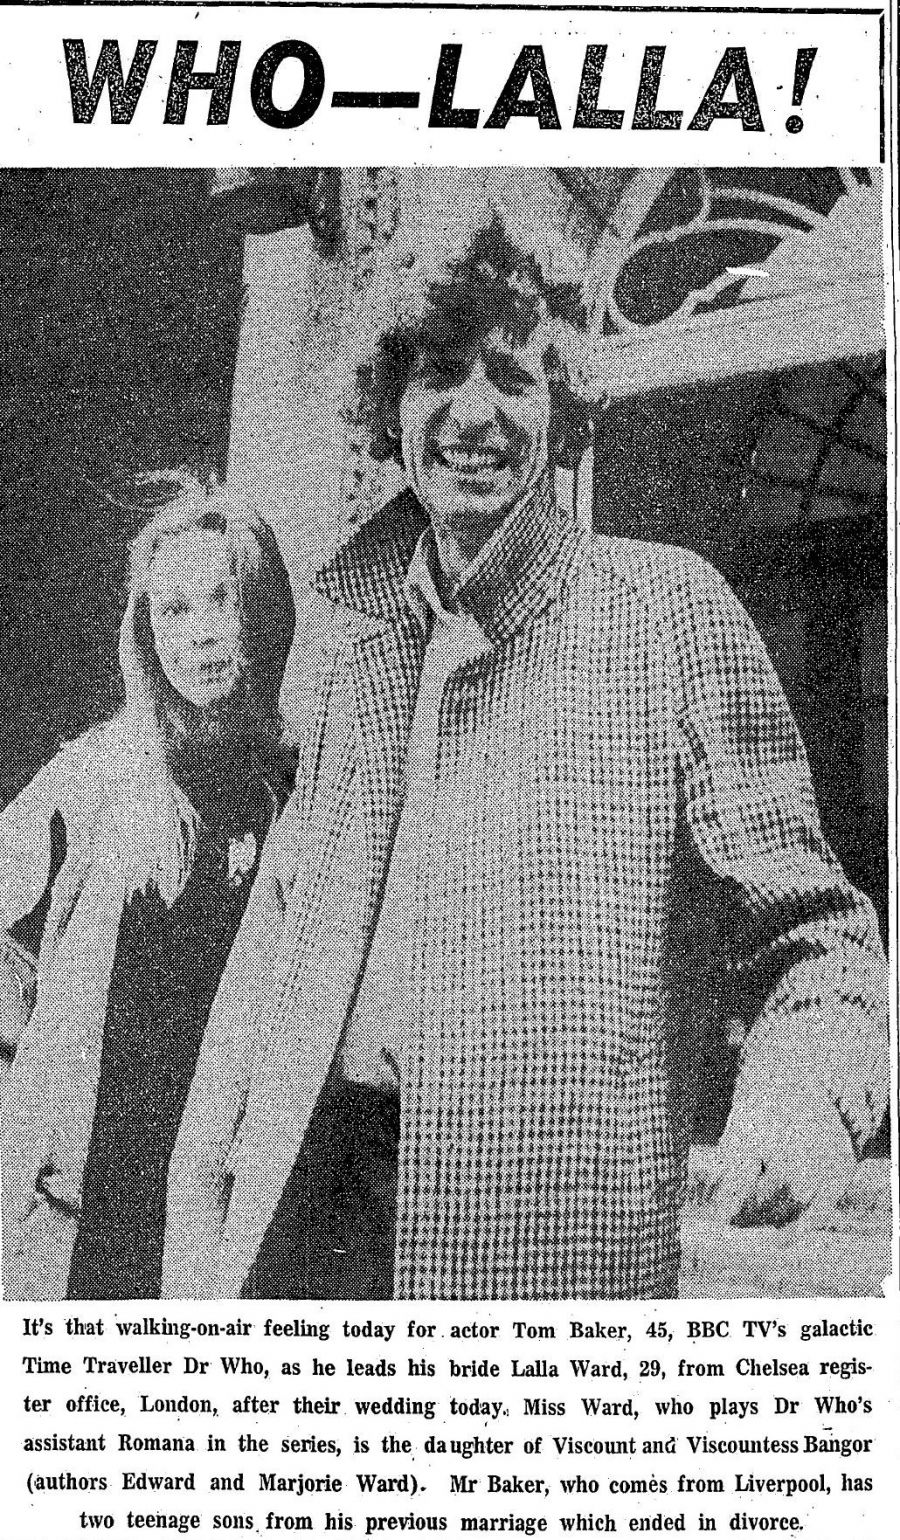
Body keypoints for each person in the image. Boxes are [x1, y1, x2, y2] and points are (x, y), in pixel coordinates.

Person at [163, 218, 888, 1301]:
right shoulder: (354, 647)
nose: (472, 413)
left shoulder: (669, 612)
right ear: (391, 408)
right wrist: (202, 1205)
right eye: (437, 375)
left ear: (562, 408)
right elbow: (275, 945)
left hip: (533, 1242)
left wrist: (808, 1092)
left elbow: (818, 936)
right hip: (304, 1220)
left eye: (511, 376)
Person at [0, 480, 296, 1300]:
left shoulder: (291, 791)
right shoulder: (98, 776)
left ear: (263, 612)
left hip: (215, 1192)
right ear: (146, 631)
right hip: (86, 1191)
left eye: (222, 601)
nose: (200, 633)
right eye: (174, 610)